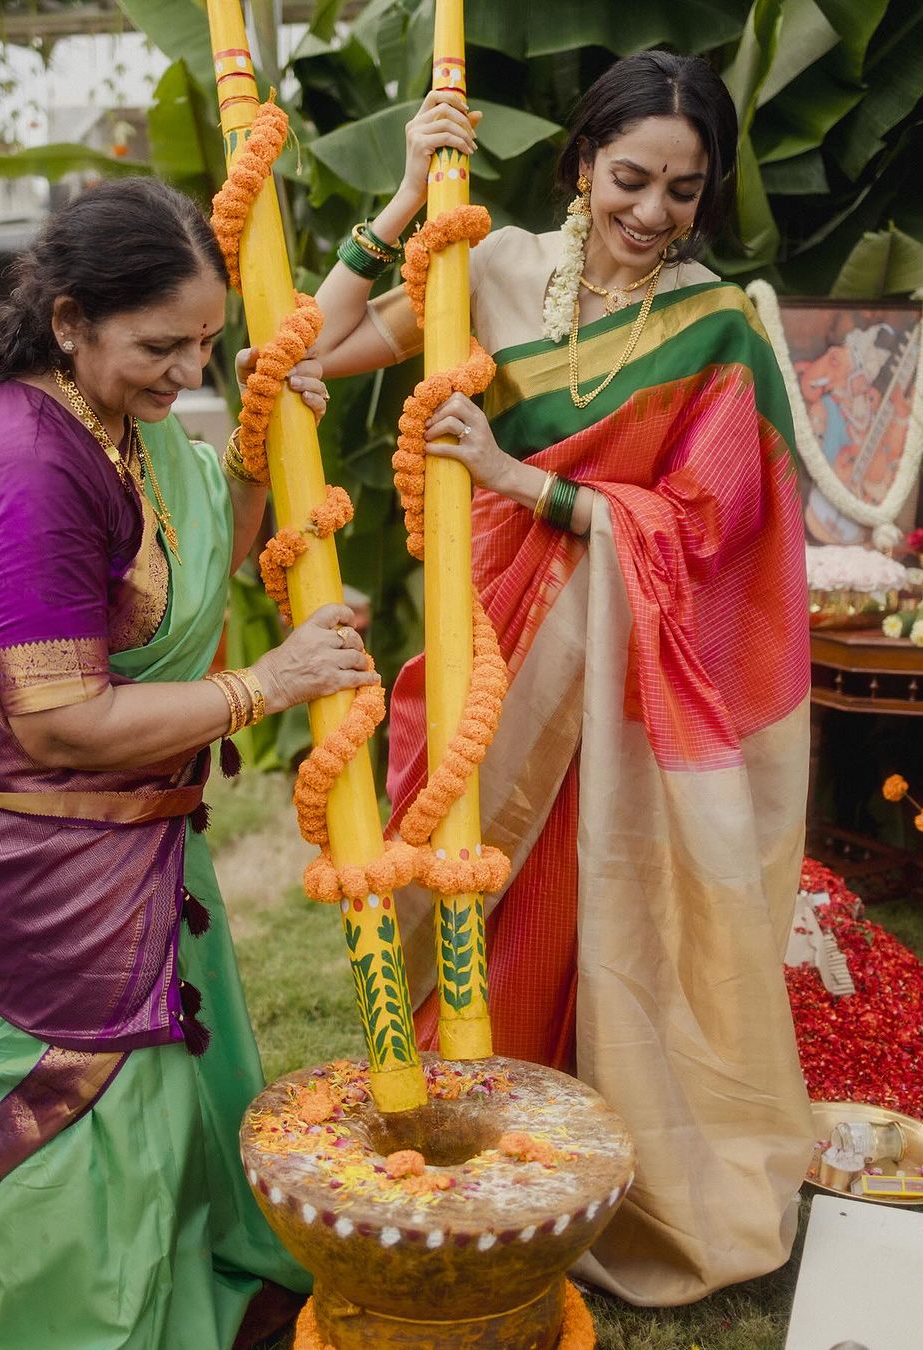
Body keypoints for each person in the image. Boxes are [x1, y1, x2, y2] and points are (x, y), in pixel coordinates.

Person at [314, 51, 813, 1305]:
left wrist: (518, 477)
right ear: (581, 163)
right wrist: (401, 196)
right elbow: (310, 349)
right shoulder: (490, 267)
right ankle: (455, 1149)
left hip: (624, 678)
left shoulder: (715, 324)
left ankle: (580, 1166)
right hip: (483, 638)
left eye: (686, 192)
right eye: (633, 178)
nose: (654, 214)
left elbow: (712, 528)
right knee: (458, 881)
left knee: (582, 905)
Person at [0, 177, 378, 1349]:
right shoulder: (28, 464)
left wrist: (252, 455)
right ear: (69, 319)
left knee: (158, 1088)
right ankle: (70, 1320)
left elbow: (183, 574)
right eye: (161, 345)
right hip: (36, 849)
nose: (186, 370)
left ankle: (175, 1284)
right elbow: (56, 723)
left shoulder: (110, 414)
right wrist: (271, 685)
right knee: (78, 1105)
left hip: (121, 825)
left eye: (203, 340)